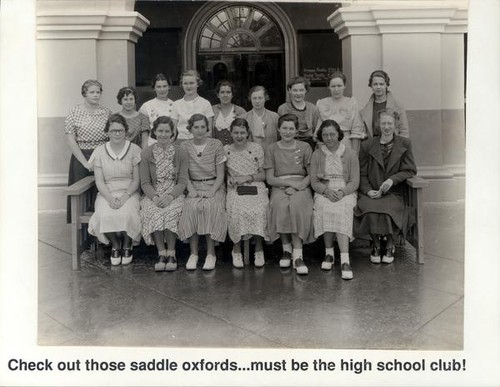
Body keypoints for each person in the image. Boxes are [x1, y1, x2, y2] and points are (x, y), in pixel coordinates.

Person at [354, 109, 417, 264]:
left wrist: (392, 180)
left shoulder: (404, 144)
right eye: (383, 123)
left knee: (388, 210)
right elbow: (361, 173)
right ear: (378, 125)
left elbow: (410, 169)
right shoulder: (367, 145)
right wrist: (368, 191)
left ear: (395, 125)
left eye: (390, 123)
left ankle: (389, 244)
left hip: (393, 192)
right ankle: (375, 244)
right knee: (370, 208)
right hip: (372, 191)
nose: (386, 127)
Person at [87, 114, 142, 266]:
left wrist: (125, 197)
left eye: (121, 130)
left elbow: (136, 180)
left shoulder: (134, 149)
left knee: (128, 212)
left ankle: (127, 243)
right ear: (107, 132)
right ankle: (115, 244)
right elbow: (99, 181)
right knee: (104, 213)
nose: (117, 134)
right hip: (107, 193)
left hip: (129, 191)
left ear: (126, 131)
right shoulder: (99, 151)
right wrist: (110, 198)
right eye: (113, 131)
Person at [265, 113, 314, 275]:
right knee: (279, 205)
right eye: (284, 128)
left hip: (301, 185)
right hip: (280, 185)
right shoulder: (271, 148)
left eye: (291, 128)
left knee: (296, 205)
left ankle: (298, 255)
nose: (287, 131)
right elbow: (270, 178)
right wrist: (288, 184)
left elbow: (311, 174)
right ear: (279, 129)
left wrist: (299, 186)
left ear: (296, 130)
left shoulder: (305, 147)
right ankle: (286, 249)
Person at [310, 120, 359, 280]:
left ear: (339, 134)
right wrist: (325, 191)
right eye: (325, 135)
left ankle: (345, 259)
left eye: (332, 134)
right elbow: (314, 181)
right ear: (321, 137)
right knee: (325, 207)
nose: (329, 138)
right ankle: (329, 254)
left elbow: (354, 181)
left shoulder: (350, 153)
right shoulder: (317, 154)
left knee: (342, 208)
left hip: (345, 191)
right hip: (325, 191)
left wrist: (343, 192)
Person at [177, 114, 227, 271]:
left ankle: (211, 254)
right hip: (193, 186)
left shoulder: (216, 145)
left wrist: (212, 191)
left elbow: (221, 175)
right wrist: (191, 190)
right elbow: (183, 174)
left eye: (202, 127)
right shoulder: (184, 146)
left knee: (210, 206)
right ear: (190, 129)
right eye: (196, 127)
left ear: (207, 128)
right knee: (191, 207)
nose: (199, 130)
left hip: (214, 185)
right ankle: (194, 254)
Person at [139, 116, 188, 272]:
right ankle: (161, 253)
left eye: (167, 131)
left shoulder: (180, 152)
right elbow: (145, 182)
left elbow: (182, 181)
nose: (164, 134)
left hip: (174, 194)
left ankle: (171, 252)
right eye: (160, 131)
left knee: (170, 211)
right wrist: (155, 197)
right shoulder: (147, 153)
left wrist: (170, 197)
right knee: (155, 211)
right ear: (154, 131)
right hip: (153, 194)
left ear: (172, 132)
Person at [65, 79, 112, 223]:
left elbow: (111, 136)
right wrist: (85, 162)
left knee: (101, 191)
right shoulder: (74, 112)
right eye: (92, 92)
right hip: (81, 156)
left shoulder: (106, 112)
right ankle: (81, 233)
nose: (96, 95)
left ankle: (102, 232)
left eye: (98, 92)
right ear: (84, 93)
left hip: (102, 155)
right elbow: (71, 140)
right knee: (80, 193)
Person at [224, 118, 269, 268]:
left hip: (254, 183)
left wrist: (248, 178)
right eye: (236, 132)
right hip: (236, 187)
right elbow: (224, 174)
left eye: (242, 132)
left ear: (248, 133)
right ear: (231, 133)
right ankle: (236, 249)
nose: (239, 136)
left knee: (260, 207)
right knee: (235, 208)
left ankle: (259, 248)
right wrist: (230, 179)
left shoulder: (256, 148)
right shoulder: (226, 150)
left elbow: (263, 175)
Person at [315, 71, 365, 151]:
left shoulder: (352, 103)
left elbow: (356, 130)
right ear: (329, 87)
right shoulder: (321, 104)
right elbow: (318, 131)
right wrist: (322, 151)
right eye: (333, 86)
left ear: (344, 86)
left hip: (346, 144)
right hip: (326, 145)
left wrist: (354, 154)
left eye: (339, 86)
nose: (336, 89)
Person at [360, 70, 410, 138]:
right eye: (375, 84)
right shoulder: (365, 108)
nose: (378, 87)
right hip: (373, 146)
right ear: (371, 86)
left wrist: (399, 147)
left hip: (393, 145)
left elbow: (404, 131)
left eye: (381, 84)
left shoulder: (397, 106)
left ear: (386, 85)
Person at [277, 76, 320, 150]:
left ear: (305, 90)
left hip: (308, 145)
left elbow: (316, 129)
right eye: (295, 90)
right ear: (289, 90)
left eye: (301, 90)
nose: (298, 93)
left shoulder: (313, 109)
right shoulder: (282, 109)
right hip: (287, 144)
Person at [171, 70, 214, 141]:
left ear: (198, 84)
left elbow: (209, 133)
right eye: (185, 83)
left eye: (191, 83)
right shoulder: (176, 104)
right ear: (182, 84)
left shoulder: (205, 104)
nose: (188, 86)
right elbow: (173, 133)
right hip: (181, 143)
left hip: (200, 142)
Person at [243, 86, 279, 152]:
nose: (257, 101)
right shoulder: (244, 118)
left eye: (260, 98)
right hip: (250, 157)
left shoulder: (274, 117)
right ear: (250, 99)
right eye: (254, 98)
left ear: (265, 98)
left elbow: (280, 138)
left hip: (270, 156)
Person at [212, 80, 246, 145]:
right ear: (218, 95)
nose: (225, 95)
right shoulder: (212, 110)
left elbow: (246, 134)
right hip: (216, 151)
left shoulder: (240, 111)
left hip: (236, 150)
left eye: (228, 92)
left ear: (232, 94)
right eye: (222, 92)